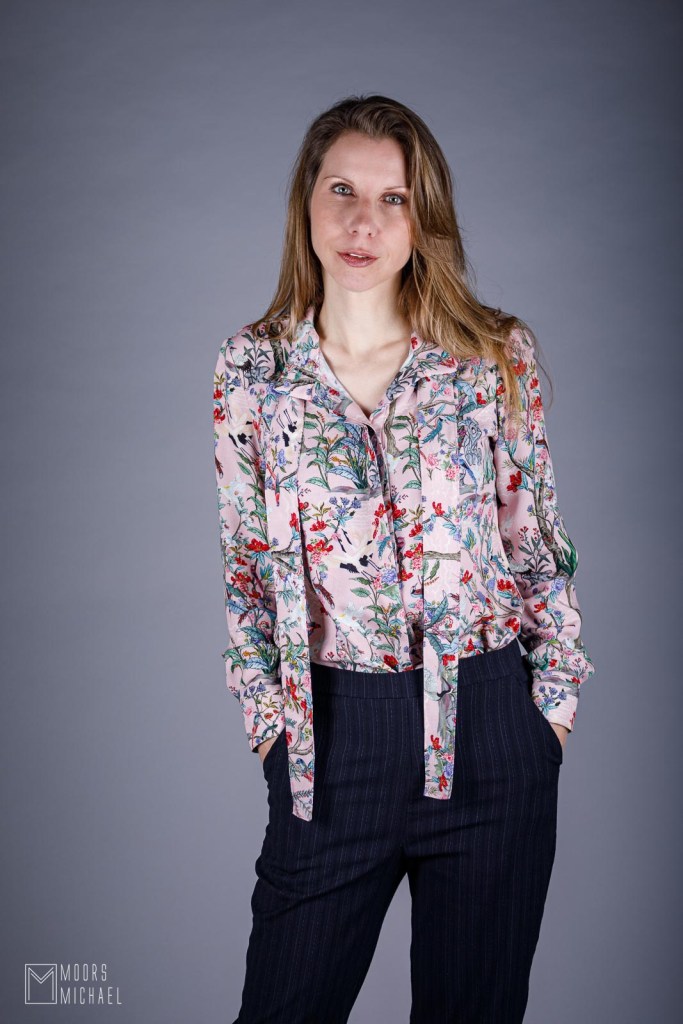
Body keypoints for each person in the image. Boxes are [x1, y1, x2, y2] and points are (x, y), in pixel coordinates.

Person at [213, 93, 595, 1024]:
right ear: (306, 203)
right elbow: (245, 571)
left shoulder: (492, 356)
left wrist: (549, 715)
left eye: (394, 199)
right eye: (342, 191)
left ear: (424, 220)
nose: (363, 223)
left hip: (491, 734)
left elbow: (536, 545)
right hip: (333, 743)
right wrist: (272, 731)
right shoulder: (252, 372)